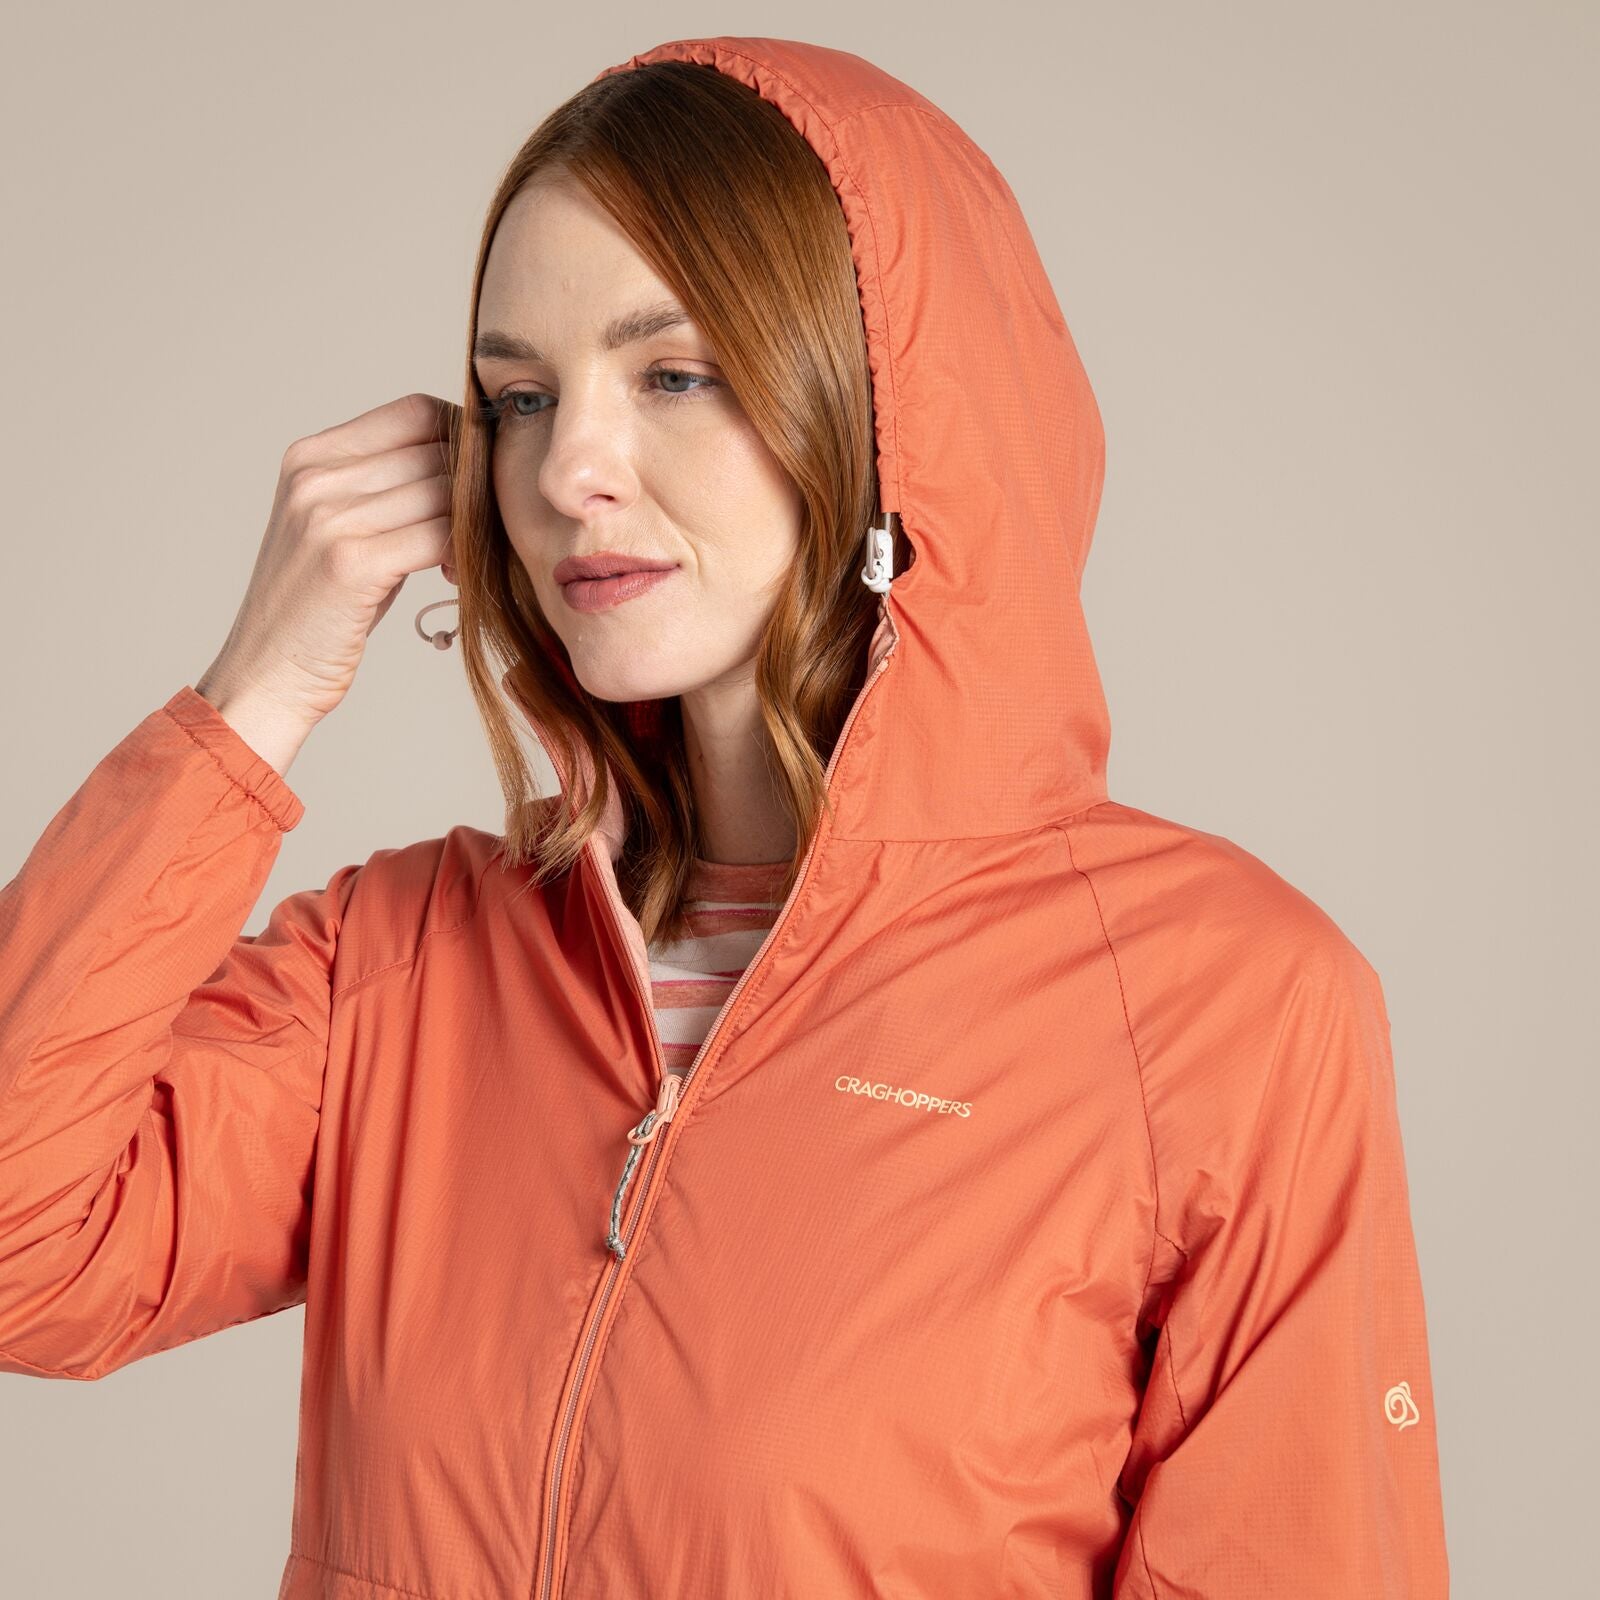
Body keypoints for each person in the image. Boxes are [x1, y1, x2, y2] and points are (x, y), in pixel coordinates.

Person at [0, 33, 1449, 1599]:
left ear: (891, 415)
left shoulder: (1218, 1007)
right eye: (520, 397)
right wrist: (255, 694)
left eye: (675, 375)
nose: (568, 468)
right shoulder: (403, 961)